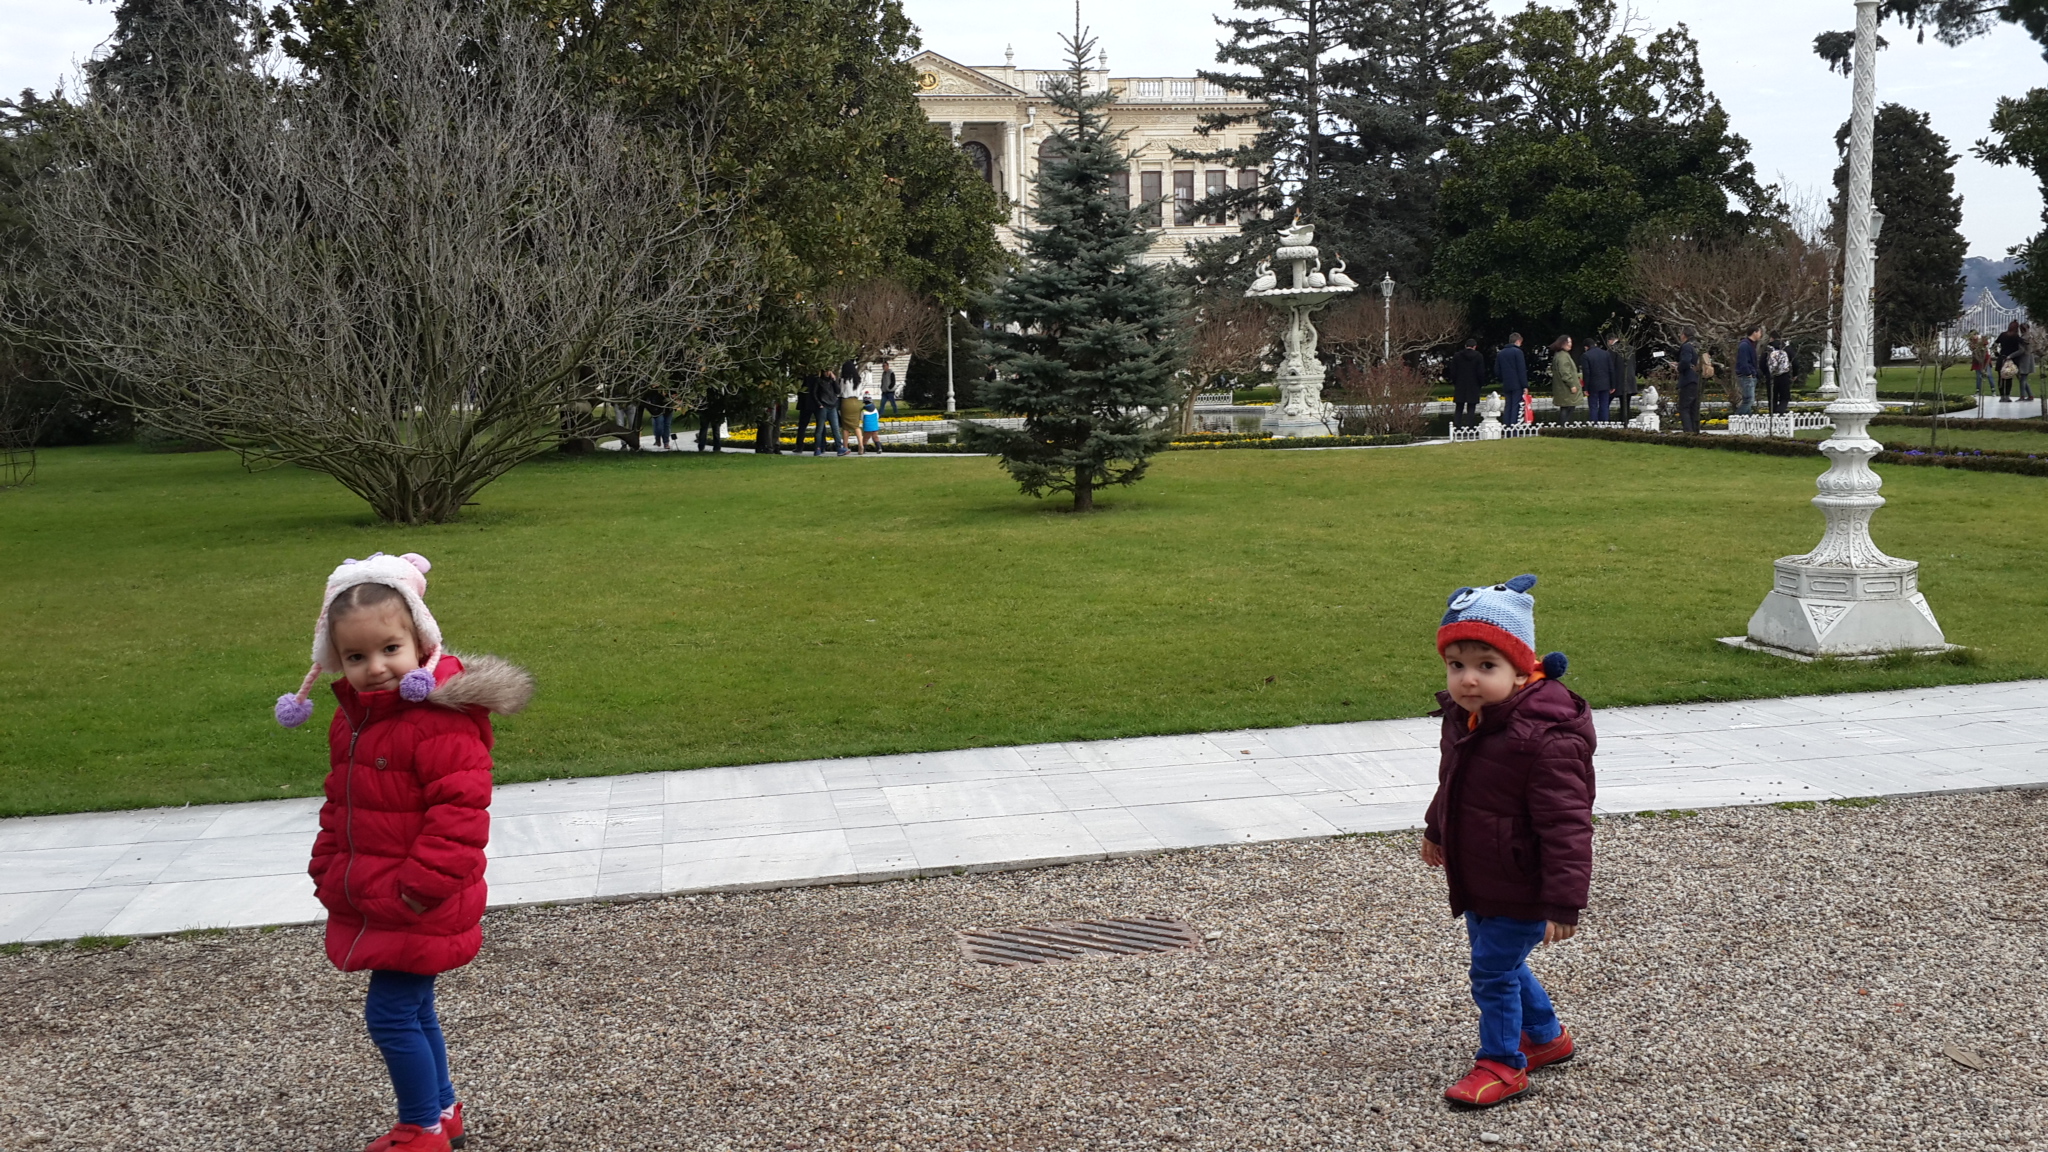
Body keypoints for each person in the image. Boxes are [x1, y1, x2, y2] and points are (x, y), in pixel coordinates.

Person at [274, 552, 534, 1152]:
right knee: (413, 1009)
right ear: (334, 659)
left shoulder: (437, 721)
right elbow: (342, 801)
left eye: (390, 649)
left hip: (416, 897)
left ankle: (421, 1128)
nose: (375, 667)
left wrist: (416, 890)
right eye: (355, 657)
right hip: (377, 891)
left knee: (391, 1015)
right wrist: (326, 863)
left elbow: (460, 815)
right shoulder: (356, 720)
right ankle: (441, 1112)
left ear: (420, 643)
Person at [1422, 574, 1595, 1109]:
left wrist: (1562, 901)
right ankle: (1545, 1036)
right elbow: (1453, 781)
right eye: (1457, 665)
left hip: (1524, 880)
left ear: (1523, 670)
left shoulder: (1545, 739)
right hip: (1481, 871)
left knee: (1491, 971)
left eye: (1486, 666)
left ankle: (1502, 1064)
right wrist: (1436, 828)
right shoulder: (1469, 719)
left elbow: (1567, 824)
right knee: (1499, 960)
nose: (1468, 679)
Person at [1449, 338, 1486, 427]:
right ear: (1475, 347)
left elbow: (1453, 372)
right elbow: (1480, 372)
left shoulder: (1457, 356)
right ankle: (1470, 427)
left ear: (1465, 346)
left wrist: (1455, 382)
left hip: (1460, 384)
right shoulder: (1478, 356)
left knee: (1459, 407)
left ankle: (1457, 426)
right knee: (1471, 407)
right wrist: (1481, 383)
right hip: (1473, 385)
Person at [1494, 334, 1528, 426]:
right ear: (1518, 341)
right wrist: (1524, 385)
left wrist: (1504, 377)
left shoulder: (1501, 353)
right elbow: (1521, 370)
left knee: (1508, 405)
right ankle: (1514, 427)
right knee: (1515, 406)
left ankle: (1506, 427)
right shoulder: (1518, 352)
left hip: (1506, 383)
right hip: (1517, 384)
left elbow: (1497, 370)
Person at [1547, 336, 1582, 423]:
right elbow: (1565, 373)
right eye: (1569, 342)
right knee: (1567, 407)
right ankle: (1563, 425)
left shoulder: (1560, 355)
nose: (1571, 344)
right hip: (1565, 388)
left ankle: (1563, 425)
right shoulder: (1563, 356)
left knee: (1566, 407)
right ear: (1562, 343)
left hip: (1562, 388)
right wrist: (1572, 385)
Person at [811, 371, 846, 456]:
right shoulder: (819, 381)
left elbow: (838, 391)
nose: (828, 373)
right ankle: (817, 448)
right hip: (823, 406)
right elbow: (814, 393)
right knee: (820, 428)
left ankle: (839, 447)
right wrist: (819, 404)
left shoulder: (831, 381)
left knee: (835, 428)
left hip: (832, 406)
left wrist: (834, 380)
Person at [1581, 336, 1615, 423]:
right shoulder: (1606, 354)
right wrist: (1613, 385)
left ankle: (1594, 424)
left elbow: (1586, 373)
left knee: (1593, 406)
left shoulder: (1586, 355)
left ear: (1586, 347)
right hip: (1606, 384)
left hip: (1593, 385)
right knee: (1604, 405)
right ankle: (1604, 424)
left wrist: (1585, 388)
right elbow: (1611, 370)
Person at [1676, 328, 1702, 434]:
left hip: (1688, 379)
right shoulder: (1697, 345)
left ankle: (1688, 432)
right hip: (1696, 378)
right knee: (1693, 408)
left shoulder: (1687, 346)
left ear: (1684, 335)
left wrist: (1678, 367)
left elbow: (1686, 361)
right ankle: (1695, 431)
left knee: (1684, 408)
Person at [1734, 327, 1760, 416]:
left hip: (1750, 374)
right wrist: (1748, 373)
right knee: (1749, 400)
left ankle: (1747, 419)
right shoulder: (1745, 345)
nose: (1760, 335)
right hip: (1746, 376)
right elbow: (1743, 361)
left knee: (1748, 400)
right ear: (1754, 332)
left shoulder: (1750, 344)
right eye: (1759, 332)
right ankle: (1736, 417)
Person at [838, 366, 864, 455]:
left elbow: (841, 392)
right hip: (856, 402)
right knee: (856, 425)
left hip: (846, 403)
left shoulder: (843, 380)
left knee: (845, 427)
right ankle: (861, 444)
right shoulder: (858, 380)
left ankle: (845, 446)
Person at [1995, 321, 2022, 402]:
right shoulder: (2016, 337)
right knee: (2009, 378)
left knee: (2001, 378)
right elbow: (2020, 347)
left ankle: (2002, 396)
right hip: (2011, 360)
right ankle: (2007, 396)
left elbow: (1994, 345)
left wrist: (1997, 353)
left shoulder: (2002, 335)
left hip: (2002, 358)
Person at [1766, 337, 1794, 416]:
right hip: (1784, 376)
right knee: (1785, 397)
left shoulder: (1768, 350)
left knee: (1772, 397)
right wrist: (1795, 374)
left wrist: (1767, 373)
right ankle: (1780, 411)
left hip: (1771, 377)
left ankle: (1772, 414)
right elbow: (1795, 362)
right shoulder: (1787, 349)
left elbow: (1762, 364)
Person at [793, 375, 819, 451]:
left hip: (805, 403)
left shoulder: (803, 377)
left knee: (802, 425)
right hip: (816, 403)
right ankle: (820, 445)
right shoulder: (817, 377)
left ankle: (799, 446)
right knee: (820, 425)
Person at [1969, 330, 1991, 396]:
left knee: (1989, 375)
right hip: (1977, 360)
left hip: (1985, 359)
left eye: (1974, 335)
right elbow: (1972, 348)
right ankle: (1978, 391)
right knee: (1978, 376)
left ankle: (1993, 390)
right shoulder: (1971, 342)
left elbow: (1985, 344)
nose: (1973, 337)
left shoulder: (1981, 339)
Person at [2018, 324, 2037, 402]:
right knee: (2023, 379)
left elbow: (2021, 350)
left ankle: (2022, 396)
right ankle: (2030, 395)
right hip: (2030, 359)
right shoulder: (2030, 336)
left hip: (2024, 359)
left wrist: (2011, 355)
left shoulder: (2023, 338)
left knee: (2022, 379)